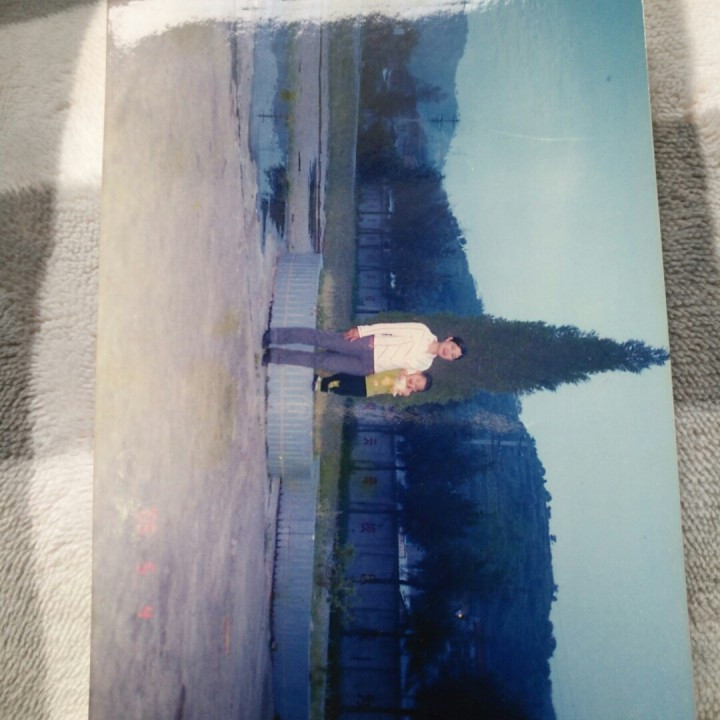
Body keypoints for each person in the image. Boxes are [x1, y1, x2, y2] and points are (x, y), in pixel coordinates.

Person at [262, 322, 466, 376]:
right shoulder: (422, 331)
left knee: (321, 361)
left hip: (366, 368)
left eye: (452, 356)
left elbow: (398, 376)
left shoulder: (425, 365)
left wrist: (403, 386)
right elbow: (391, 328)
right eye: (452, 348)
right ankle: (275, 336)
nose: (448, 353)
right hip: (367, 344)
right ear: (449, 339)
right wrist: (362, 331)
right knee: (322, 339)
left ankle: (275, 356)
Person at [317, 368, 433, 398]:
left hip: (367, 389)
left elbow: (402, 391)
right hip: (366, 377)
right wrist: (403, 374)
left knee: (344, 386)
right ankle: (323, 381)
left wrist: (407, 389)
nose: (413, 382)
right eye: (417, 380)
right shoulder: (404, 371)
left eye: (416, 386)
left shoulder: (403, 389)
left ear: (414, 390)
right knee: (343, 375)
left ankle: (322, 387)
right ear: (417, 372)